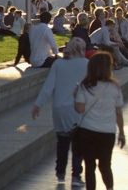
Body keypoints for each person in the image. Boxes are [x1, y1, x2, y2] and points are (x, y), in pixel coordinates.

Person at [32, 38, 88, 187]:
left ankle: (60, 171)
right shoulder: (86, 64)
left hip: (59, 109)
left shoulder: (58, 64)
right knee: (78, 143)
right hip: (78, 109)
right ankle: (76, 175)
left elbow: (48, 87)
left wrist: (38, 105)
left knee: (62, 142)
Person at [75, 52, 126, 190]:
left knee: (89, 166)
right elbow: (118, 113)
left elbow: (79, 109)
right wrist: (121, 133)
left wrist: (76, 96)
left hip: (88, 130)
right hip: (108, 131)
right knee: (105, 165)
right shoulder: (114, 87)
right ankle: (109, 188)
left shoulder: (84, 85)